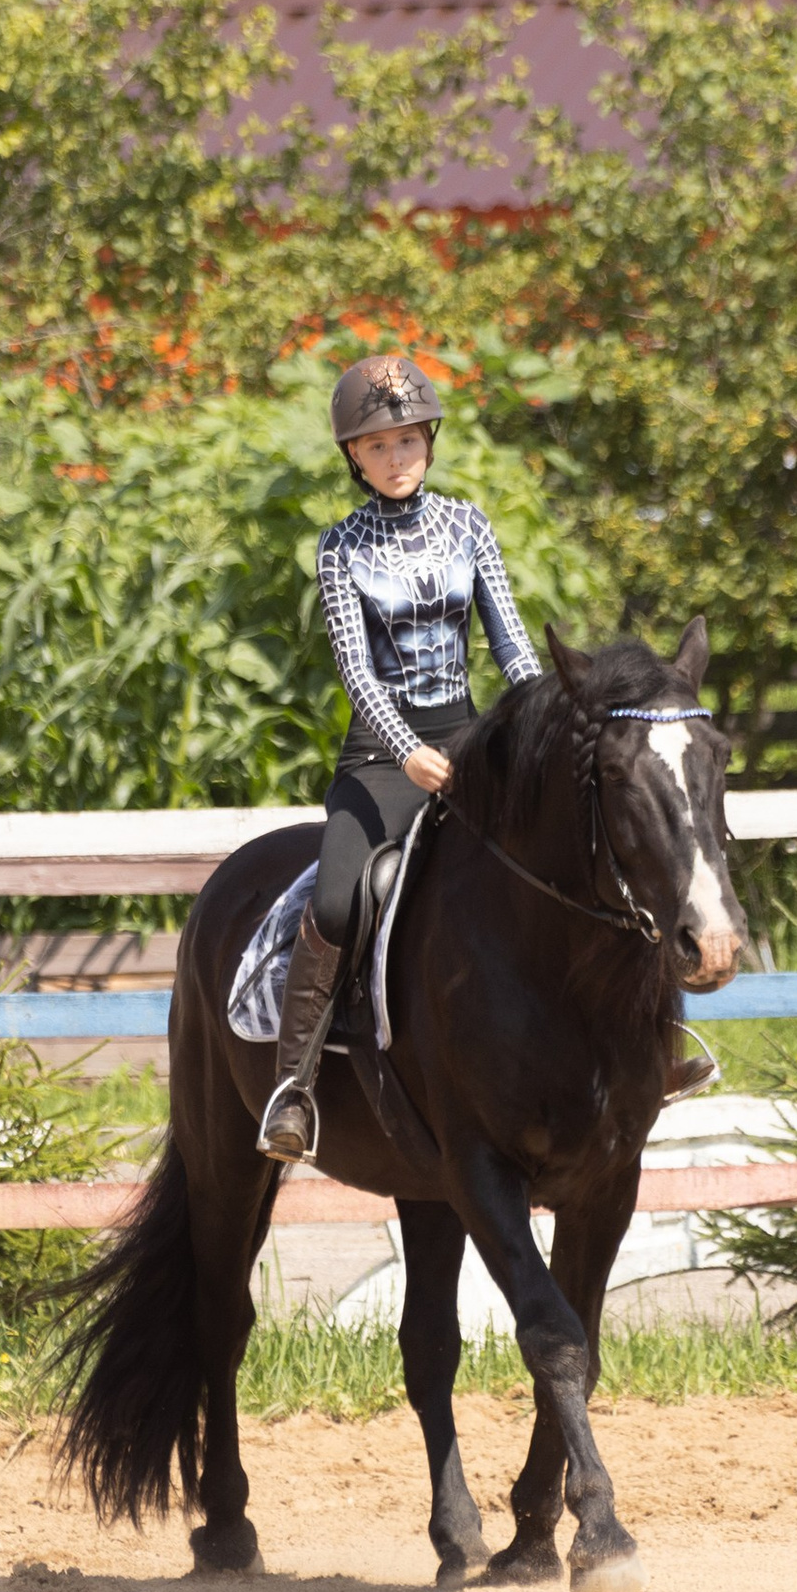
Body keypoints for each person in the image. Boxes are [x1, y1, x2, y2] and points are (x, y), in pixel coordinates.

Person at [256, 351, 544, 1160]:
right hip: (381, 759)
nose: (396, 458)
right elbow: (355, 670)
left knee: (566, 848)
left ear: (429, 441)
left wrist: (543, 719)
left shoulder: (469, 525)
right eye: (378, 447)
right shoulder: (339, 548)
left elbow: (511, 647)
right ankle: (295, 1087)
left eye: (408, 441)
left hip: (469, 736)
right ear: (353, 455)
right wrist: (409, 751)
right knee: (343, 900)